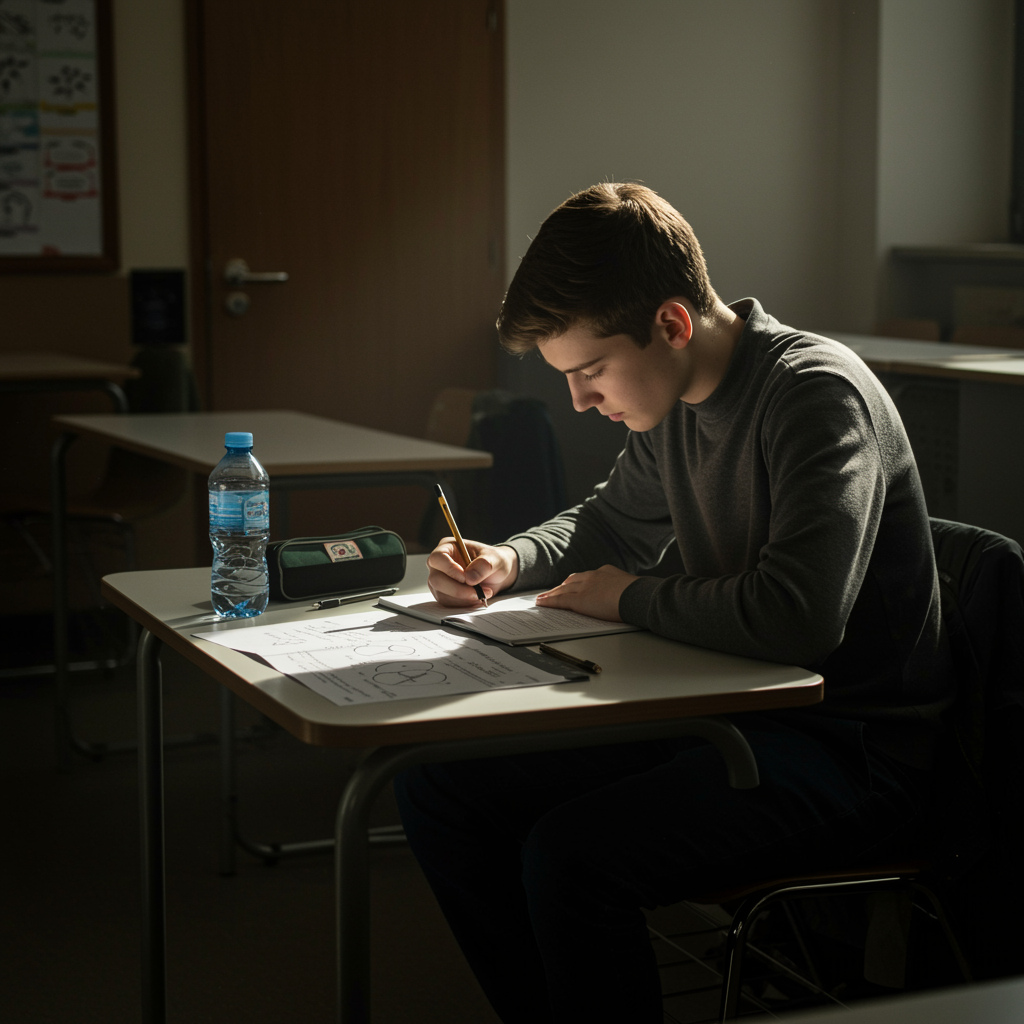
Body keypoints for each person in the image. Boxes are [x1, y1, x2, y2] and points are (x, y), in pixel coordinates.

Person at [394, 183, 954, 1023]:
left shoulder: (814, 396)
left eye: (589, 371)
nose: (580, 400)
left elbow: (797, 616)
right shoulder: (673, 404)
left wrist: (632, 598)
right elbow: (608, 522)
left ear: (672, 324)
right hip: (730, 711)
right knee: (438, 787)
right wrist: (511, 558)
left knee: (572, 857)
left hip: (853, 747)